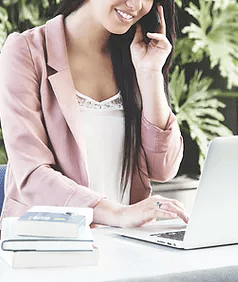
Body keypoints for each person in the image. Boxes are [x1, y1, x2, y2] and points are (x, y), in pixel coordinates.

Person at [0, 0, 188, 228]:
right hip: (50, 245)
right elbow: (32, 175)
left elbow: (164, 168)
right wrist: (118, 214)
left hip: (126, 246)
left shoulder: (137, 53)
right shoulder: (27, 51)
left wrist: (149, 74)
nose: (135, 4)